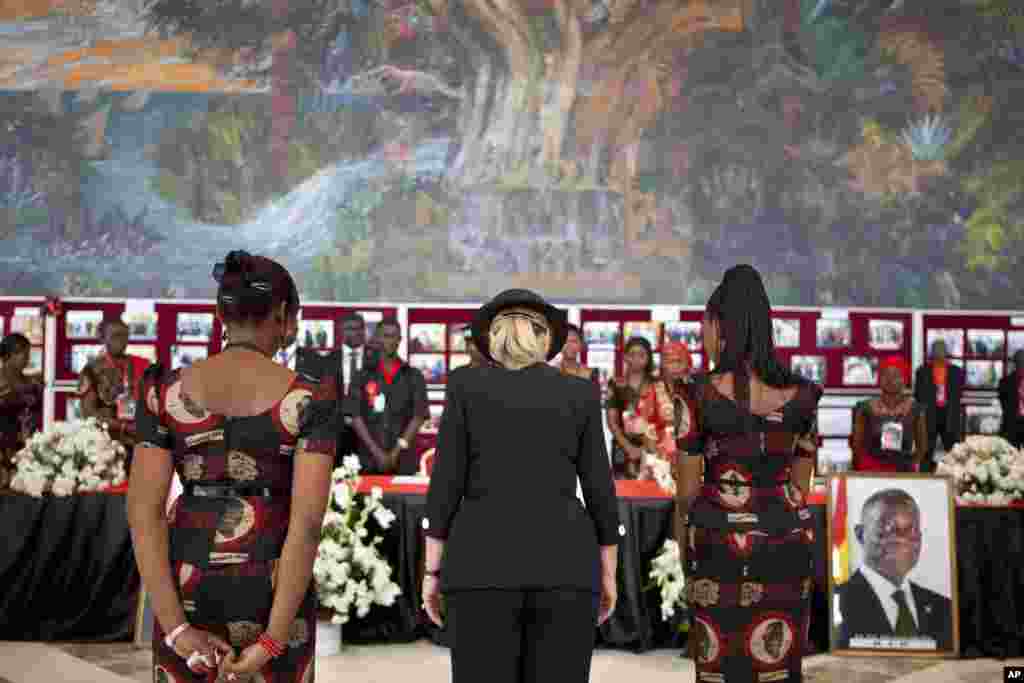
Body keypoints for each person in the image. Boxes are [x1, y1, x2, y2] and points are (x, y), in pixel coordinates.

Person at [127, 250, 337, 682]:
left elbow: (143, 514)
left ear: (219, 313)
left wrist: (177, 629)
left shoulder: (163, 390)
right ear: (282, 314)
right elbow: (308, 523)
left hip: (186, 578)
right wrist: (272, 640)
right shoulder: (311, 398)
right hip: (272, 582)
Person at [421, 288, 621, 683]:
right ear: (546, 339)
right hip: (566, 566)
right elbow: (601, 489)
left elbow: (445, 484)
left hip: (480, 565)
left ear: (492, 338)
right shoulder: (579, 392)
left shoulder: (464, 387)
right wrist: (609, 573)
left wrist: (431, 572)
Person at [675, 264, 822, 683]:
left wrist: (686, 549)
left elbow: (686, 493)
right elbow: (800, 486)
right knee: (777, 663)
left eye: (705, 324)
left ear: (720, 326)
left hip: (717, 540)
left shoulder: (695, 393)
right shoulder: (805, 396)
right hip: (786, 540)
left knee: (719, 667)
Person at [835, 489, 953, 650]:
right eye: (888, 529)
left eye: (911, 531)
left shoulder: (943, 607)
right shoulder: (837, 603)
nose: (902, 540)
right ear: (860, 534)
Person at [346, 317, 429, 474]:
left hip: (403, 461)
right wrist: (377, 453)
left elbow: (418, 417)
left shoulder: (414, 376)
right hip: (368, 460)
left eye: (394, 336)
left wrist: (395, 453)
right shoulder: (362, 375)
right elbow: (355, 416)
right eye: (385, 335)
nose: (390, 341)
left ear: (400, 340)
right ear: (377, 338)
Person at [606, 337, 675, 479]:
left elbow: (666, 419)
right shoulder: (616, 384)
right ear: (625, 357)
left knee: (652, 493)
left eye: (642, 355)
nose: (636, 359)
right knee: (623, 493)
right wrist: (629, 448)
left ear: (649, 357)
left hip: (654, 447)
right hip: (623, 448)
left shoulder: (657, 383)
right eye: (632, 354)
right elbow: (612, 422)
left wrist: (647, 448)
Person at [78, 319, 150, 454]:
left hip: (139, 442)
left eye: (125, 336)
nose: (121, 340)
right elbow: (88, 414)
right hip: (105, 445)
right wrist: (122, 427)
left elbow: (153, 404)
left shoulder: (143, 365)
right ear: (102, 338)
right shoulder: (91, 370)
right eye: (116, 336)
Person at [850, 356, 928, 472]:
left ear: (904, 379)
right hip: (870, 470)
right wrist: (863, 469)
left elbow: (922, 448)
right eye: (885, 375)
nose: (890, 380)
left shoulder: (915, 409)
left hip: (903, 471)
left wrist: (910, 466)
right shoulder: (864, 408)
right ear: (880, 379)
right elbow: (857, 447)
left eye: (896, 376)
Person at [913, 340, 963, 471]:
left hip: (950, 416)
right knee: (926, 450)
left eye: (942, 350)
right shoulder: (922, 372)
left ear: (946, 353)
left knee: (954, 452)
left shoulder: (957, 372)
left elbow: (958, 395)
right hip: (930, 415)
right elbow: (918, 396)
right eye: (936, 350)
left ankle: (956, 476)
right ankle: (924, 479)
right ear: (932, 353)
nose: (939, 354)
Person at [0, 334, 42, 488]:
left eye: (27, 352)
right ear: (7, 355)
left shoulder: (31, 382)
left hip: (26, 445)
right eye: (20, 352)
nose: (26, 357)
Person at [998, 350, 1024, 447]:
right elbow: (1004, 406)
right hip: (1012, 427)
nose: (1022, 364)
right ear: (1015, 363)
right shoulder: (1004, 382)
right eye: (1019, 361)